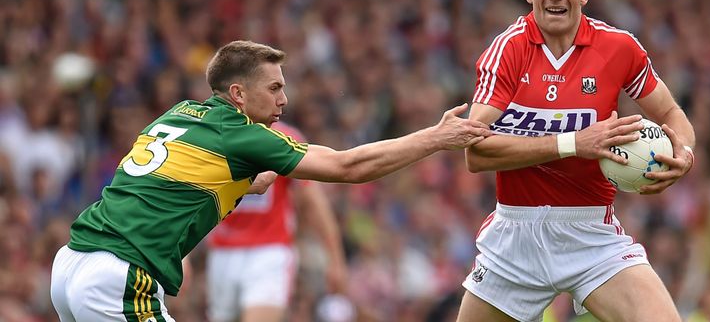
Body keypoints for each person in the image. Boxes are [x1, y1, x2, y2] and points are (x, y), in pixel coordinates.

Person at [50, 40, 492, 322]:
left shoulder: (182, 111)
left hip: (72, 264)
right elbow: (348, 167)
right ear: (239, 95)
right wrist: (434, 138)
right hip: (121, 277)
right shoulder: (241, 133)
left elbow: (169, 180)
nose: (285, 98)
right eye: (275, 88)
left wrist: (243, 183)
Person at [457, 0, 696, 322]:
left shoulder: (619, 48)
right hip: (515, 236)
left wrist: (683, 152)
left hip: (591, 233)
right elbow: (475, 151)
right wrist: (573, 144)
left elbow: (670, 112)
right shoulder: (507, 50)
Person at [205, 121, 347, 322]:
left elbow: (312, 202)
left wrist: (335, 258)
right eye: (273, 88)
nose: (281, 100)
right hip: (222, 252)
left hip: (269, 252)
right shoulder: (216, 134)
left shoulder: (284, 138)